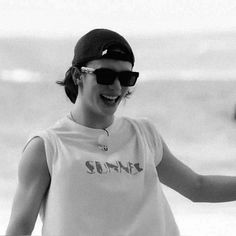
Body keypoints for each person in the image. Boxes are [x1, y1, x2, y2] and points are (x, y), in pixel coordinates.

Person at [6, 28, 236, 236]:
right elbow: (20, 228)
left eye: (126, 77)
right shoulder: (46, 146)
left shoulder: (144, 134)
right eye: (105, 75)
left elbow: (197, 187)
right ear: (78, 76)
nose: (116, 86)